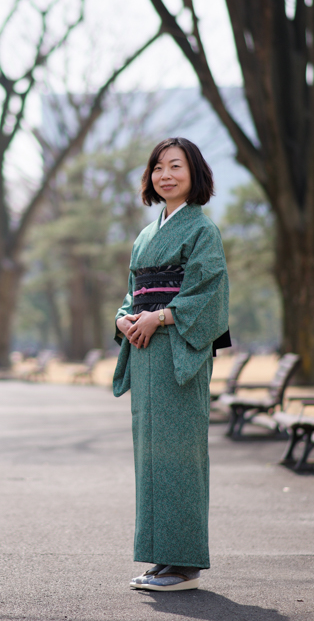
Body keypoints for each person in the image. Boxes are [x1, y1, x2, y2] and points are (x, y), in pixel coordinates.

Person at [114, 136, 230, 592]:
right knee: (152, 455)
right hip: (145, 353)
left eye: (176, 166)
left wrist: (160, 316)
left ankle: (185, 566)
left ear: (194, 173)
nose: (166, 175)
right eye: (158, 167)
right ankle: (163, 559)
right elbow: (132, 290)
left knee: (180, 454)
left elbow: (209, 293)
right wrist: (124, 319)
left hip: (179, 352)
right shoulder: (147, 234)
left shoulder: (203, 231)